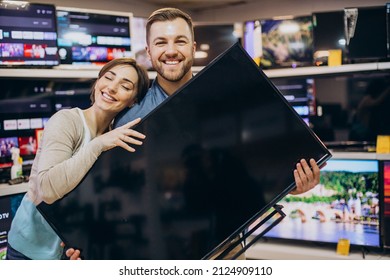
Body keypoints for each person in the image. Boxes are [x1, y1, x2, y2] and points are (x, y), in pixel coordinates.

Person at [65, 7, 321, 260]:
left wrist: (290, 184)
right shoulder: (129, 117)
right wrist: (85, 244)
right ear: (149, 51)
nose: (171, 50)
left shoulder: (225, 101)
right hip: (155, 253)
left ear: (193, 47)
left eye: (180, 41)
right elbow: (104, 186)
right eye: (161, 42)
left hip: (224, 248)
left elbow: (246, 177)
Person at [6, 57, 150, 260]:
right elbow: (47, 189)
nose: (112, 88)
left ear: (134, 99)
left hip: (68, 253)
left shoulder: (116, 138)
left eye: (125, 86)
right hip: (29, 252)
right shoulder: (67, 121)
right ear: (98, 80)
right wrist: (98, 145)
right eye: (108, 77)